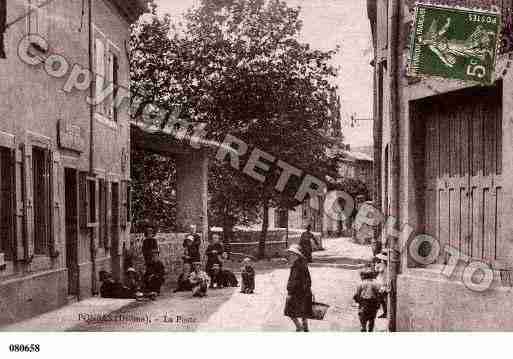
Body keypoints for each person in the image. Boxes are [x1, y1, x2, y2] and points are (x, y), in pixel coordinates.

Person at [284, 244, 313, 332]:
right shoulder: (298, 264)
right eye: (290, 254)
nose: (291, 256)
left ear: (297, 255)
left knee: (290, 311)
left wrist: (292, 289)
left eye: (293, 254)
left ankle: (299, 326)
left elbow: (305, 280)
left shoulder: (299, 266)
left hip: (299, 292)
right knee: (302, 312)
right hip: (302, 292)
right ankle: (304, 327)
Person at [375, 251, 389, 318]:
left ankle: (385, 312)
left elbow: (377, 271)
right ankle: (385, 312)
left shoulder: (383, 265)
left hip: (383, 284)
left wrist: (377, 265)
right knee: (383, 299)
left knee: (382, 299)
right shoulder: (386, 265)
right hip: (384, 283)